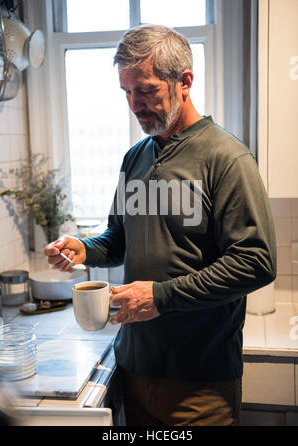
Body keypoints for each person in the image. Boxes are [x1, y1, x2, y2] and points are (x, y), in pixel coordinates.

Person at [44, 25, 276, 426]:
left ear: (184, 81)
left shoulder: (227, 158)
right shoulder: (135, 158)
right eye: (127, 92)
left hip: (198, 382)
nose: (135, 104)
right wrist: (84, 248)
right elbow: (118, 240)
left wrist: (161, 297)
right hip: (133, 366)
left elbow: (255, 261)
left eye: (146, 90)